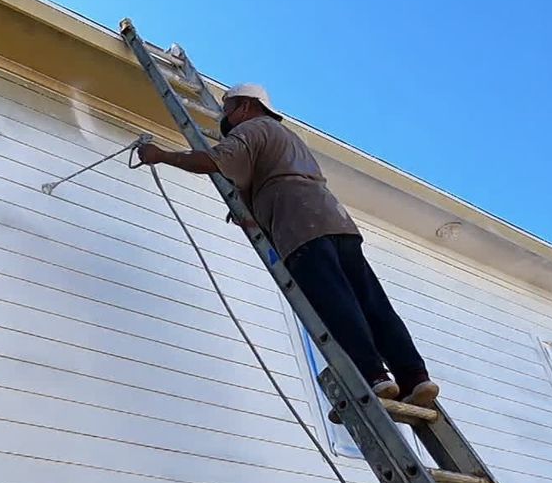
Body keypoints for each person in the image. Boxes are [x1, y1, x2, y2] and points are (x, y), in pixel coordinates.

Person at [136, 83, 439, 407]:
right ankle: (414, 377)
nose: (226, 118)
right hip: (335, 220)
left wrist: (161, 155)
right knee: (371, 301)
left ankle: (373, 376)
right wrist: (252, 213)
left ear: (247, 106)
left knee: (334, 302)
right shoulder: (287, 138)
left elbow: (216, 159)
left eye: (228, 110)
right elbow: (271, 176)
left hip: (300, 226)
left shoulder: (253, 127)